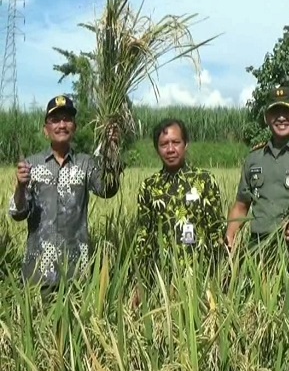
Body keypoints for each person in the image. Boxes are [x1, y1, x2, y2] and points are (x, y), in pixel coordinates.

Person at [9, 95, 121, 290]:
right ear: (46, 129)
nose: (62, 124)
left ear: (74, 127)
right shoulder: (31, 165)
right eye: (55, 120)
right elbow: (18, 213)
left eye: (67, 119)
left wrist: (112, 150)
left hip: (76, 272)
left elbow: (108, 190)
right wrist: (20, 185)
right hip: (38, 273)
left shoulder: (86, 164)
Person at [225, 86, 289, 270]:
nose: (281, 117)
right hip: (260, 255)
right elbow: (241, 206)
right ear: (266, 118)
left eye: (287, 111)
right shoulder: (254, 158)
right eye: (275, 112)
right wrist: (229, 241)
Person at [134, 119, 225, 264]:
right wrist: (138, 279)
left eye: (176, 142)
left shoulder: (204, 180)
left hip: (200, 275)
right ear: (157, 149)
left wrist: (223, 273)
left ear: (186, 144)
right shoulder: (149, 186)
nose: (170, 149)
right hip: (162, 278)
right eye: (164, 144)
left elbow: (217, 230)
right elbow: (143, 236)